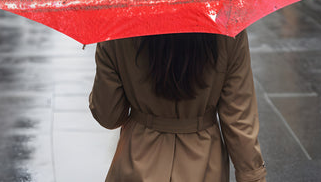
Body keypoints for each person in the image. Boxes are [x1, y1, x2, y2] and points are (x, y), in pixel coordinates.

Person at [90, 31, 267, 182]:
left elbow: (108, 116)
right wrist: (253, 176)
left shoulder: (118, 29)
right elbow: (239, 119)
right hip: (205, 164)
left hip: (136, 158)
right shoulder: (227, 26)